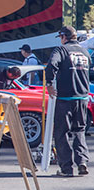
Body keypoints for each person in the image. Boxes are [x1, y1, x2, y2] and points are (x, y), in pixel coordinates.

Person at [45, 26, 91, 177]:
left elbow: (51, 65)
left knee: (61, 132)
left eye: (60, 37)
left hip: (65, 98)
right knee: (79, 131)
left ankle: (66, 168)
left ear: (64, 37)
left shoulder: (61, 50)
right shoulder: (85, 52)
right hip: (82, 98)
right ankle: (82, 162)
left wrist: (49, 85)